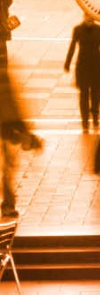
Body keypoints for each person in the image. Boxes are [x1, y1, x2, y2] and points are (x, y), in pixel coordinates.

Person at [0, 66, 42, 218]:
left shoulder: (3, 77)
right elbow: (10, 103)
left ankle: (8, 204)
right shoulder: (3, 77)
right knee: (8, 169)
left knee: (8, 168)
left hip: (6, 129)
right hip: (6, 129)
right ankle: (8, 204)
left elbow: (10, 103)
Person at [65, 14, 100, 133]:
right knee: (84, 94)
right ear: (84, 17)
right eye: (88, 18)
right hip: (83, 65)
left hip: (96, 65)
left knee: (97, 94)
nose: (89, 20)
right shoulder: (78, 29)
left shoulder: (99, 29)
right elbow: (72, 46)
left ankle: (95, 116)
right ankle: (85, 120)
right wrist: (68, 62)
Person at [0, 0, 11, 65]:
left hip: (2, 18)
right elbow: (9, 0)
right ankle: (3, 60)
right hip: (2, 18)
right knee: (2, 40)